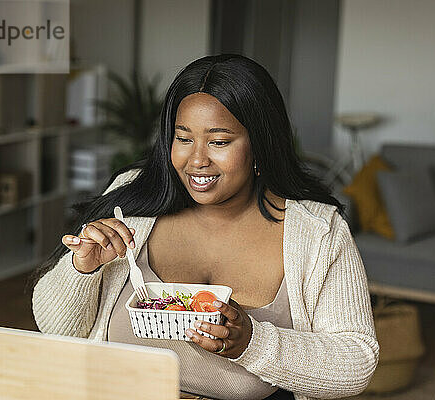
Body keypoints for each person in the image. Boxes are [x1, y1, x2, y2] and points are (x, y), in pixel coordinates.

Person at [31, 54, 379, 400]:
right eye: (183, 139)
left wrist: (253, 343)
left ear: (260, 144)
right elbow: (56, 328)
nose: (196, 160)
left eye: (219, 142)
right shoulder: (132, 199)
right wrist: (82, 270)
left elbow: (356, 362)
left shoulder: (317, 232)